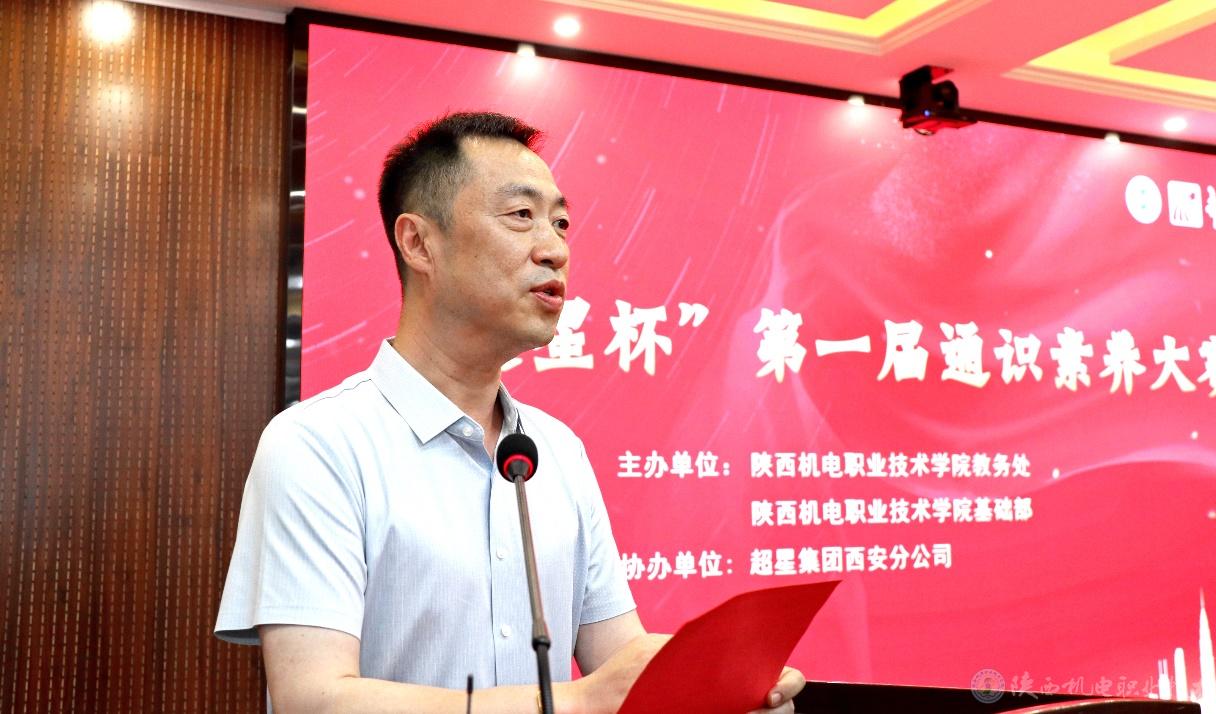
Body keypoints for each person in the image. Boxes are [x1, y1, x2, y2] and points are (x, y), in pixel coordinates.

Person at [215, 112, 804, 713]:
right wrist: (574, 704)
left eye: (561, 223)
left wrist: (720, 689)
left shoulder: (557, 450)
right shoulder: (317, 444)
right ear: (418, 242)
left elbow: (618, 662)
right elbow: (313, 700)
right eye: (521, 215)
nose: (554, 250)